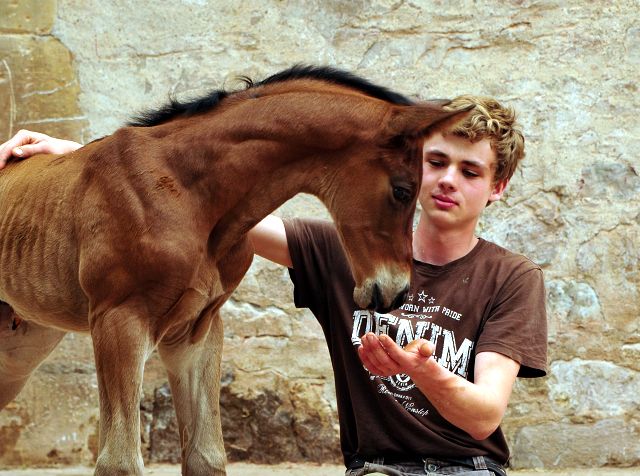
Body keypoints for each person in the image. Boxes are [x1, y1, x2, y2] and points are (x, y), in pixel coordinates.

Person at [0, 94, 547, 476]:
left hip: (467, 471)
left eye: (471, 172)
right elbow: (200, 209)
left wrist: (420, 367)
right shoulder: (336, 251)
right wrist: (76, 156)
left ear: (497, 187)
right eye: (437, 162)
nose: (448, 180)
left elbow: (484, 416)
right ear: (413, 166)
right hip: (371, 471)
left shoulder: (512, 277)